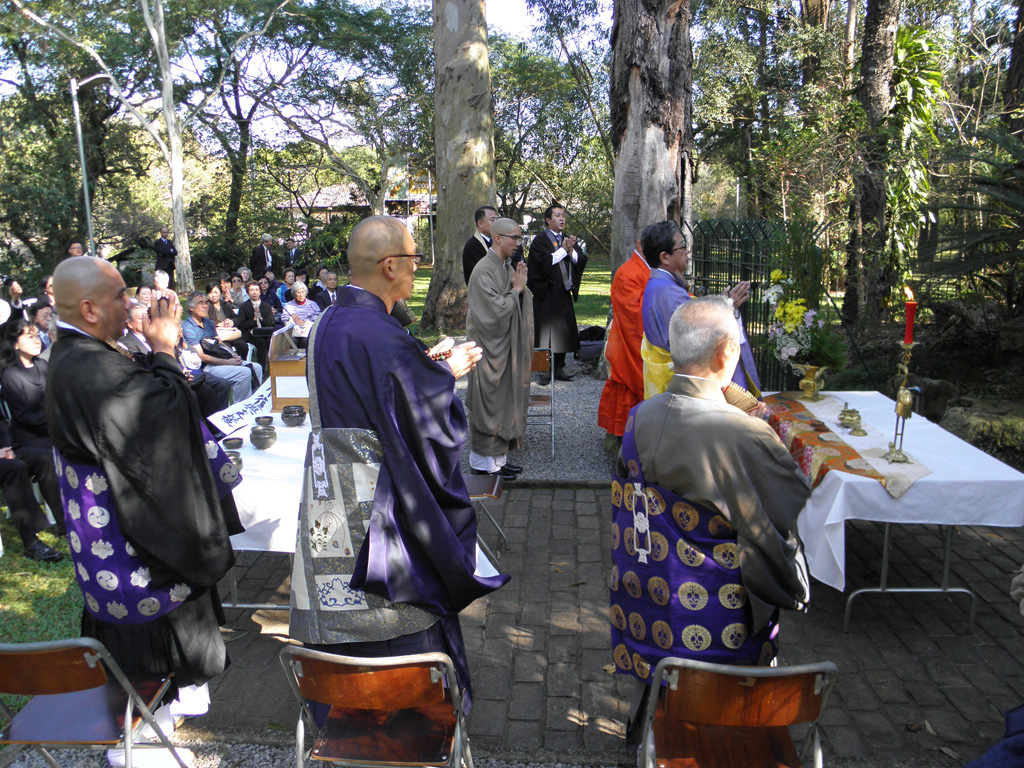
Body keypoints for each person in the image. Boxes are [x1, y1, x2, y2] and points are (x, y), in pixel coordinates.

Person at [290, 214, 505, 714]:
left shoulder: (328, 321)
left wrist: (420, 368)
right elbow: (425, 424)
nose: (417, 271)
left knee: (336, 599)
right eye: (414, 260)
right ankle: (407, 715)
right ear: (389, 266)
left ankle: (341, 705)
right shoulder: (384, 336)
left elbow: (372, 396)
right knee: (394, 614)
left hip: (330, 490)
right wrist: (443, 376)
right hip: (376, 499)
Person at [46, 257, 243, 760]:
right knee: (147, 661)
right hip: (130, 548)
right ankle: (139, 744)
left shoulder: (88, 353)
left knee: (161, 664)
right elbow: (161, 421)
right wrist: (162, 348)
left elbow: (152, 403)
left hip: (124, 534)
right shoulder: (84, 365)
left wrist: (158, 353)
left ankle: (160, 725)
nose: (131, 305)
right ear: (88, 309)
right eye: (120, 297)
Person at [611, 295, 810, 740]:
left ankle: (652, 714)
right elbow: (790, 503)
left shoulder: (639, 417)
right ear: (727, 353)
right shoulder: (746, 433)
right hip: (721, 610)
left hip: (649, 596)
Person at [640, 220, 759, 398]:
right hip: (682, 387)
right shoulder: (671, 294)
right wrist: (727, 307)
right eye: (682, 247)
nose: (687, 252)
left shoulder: (657, 286)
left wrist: (720, 303)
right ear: (665, 257)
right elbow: (697, 340)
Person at [465, 217, 533, 481]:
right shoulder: (483, 270)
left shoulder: (504, 266)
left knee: (505, 402)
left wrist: (520, 290)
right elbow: (493, 313)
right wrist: (517, 290)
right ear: (498, 238)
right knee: (489, 404)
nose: (518, 242)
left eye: (519, 237)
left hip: (504, 349)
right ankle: (483, 463)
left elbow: (515, 298)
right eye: (514, 237)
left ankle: (499, 460)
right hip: (488, 350)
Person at [0, 318, 65, 529]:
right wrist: (57, 423)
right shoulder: (10, 375)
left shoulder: (43, 365)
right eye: (30, 337)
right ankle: (63, 521)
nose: (37, 341)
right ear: (16, 344)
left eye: (37, 335)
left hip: (52, 428)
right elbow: (24, 416)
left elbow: (56, 398)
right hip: (28, 437)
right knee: (49, 455)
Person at [598, 238, 651, 451]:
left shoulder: (645, 269)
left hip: (635, 339)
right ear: (640, 244)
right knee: (625, 389)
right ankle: (620, 443)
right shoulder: (627, 272)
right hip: (627, 340)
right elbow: (634, 314)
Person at [527, 204, 587, 383]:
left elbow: (579, 260)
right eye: (558, 215)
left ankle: (559, 368)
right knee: (543, 334)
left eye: (563, 216)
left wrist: (570, 250)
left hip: (563, 291)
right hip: (546, 292)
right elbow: (543, 263)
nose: (562, 219)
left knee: (562, 333)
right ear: (548, 220)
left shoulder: (567, 239)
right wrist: (563, 250)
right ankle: (542, 371)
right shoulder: (540, 240)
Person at [0, 419, 62, 562]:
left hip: (5, 452)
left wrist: (7, 448)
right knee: (15, 469)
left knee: (44, 459)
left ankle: (65, 525)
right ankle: (31, 543)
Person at [181, 292, 257, 402]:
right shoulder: (188, 327)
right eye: (200, 303)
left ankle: (254, 403)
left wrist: (234, 355)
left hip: (220, 358)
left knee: (257, 368)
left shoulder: (207, 322)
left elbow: (219, 342)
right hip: (206, 367)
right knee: (244, 373)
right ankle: (239, 409)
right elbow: (202, 356)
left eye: (206, 303)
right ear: (190, 308)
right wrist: (228, 362)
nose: (205, 306)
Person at [235, 281, 276, 374]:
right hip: (250, 333)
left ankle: (273, 368)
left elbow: (271, 323)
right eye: (252, 290)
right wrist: (254, 319)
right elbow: (241, 324)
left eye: (256, 290)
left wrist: (261, 318)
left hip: (265, 332)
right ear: (248, 292)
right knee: (261, 342)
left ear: (260, 292)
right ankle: (261, 369)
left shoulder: (266, 306)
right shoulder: (244, 306)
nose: (254, 292)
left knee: (271, 341)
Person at [462, 205, 497, 284]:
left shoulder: (496, 242)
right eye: (492, 220)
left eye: (497, 219)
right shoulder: (473, 246)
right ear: (480, 224)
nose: (496, 223)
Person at [281, 282, 319, 348]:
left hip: (307, 332)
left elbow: (317, 319)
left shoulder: (312, 305)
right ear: (294, 293)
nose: (301, 295)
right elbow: (284, 319)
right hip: (293, 332)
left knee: (305, 341)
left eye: (303, 292)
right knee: (291, 341)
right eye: (298, 292)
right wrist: (292, 317)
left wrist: (306, 323)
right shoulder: (288, 305)